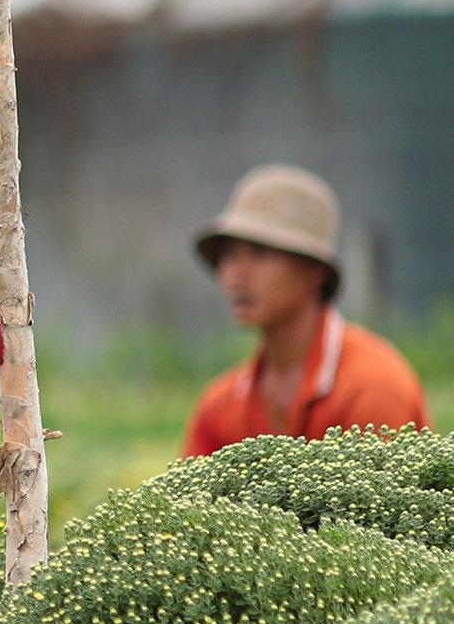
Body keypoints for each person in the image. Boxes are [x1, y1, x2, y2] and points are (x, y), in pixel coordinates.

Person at [183, 164, 429, 457]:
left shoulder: (372, 387)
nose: (237, 274)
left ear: (316, 270)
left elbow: (383, 501)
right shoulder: (220, 406)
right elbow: (183, 500)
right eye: (229, 254)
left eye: (260, 252)